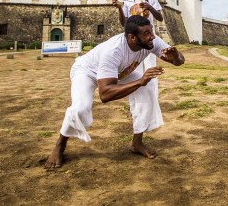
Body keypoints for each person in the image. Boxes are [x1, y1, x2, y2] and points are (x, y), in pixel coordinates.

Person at [44, 15, 185, 169]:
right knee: (81, 108)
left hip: (121, 71)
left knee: (148, 88)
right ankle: (60, 144)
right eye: (146, 33)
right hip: (87, 71)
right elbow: (105, 94)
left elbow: (179, 61)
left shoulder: (152, 41)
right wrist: (139, 81)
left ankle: (137, 143)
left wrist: (176, 57)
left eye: (151, 31)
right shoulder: (113, 51)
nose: (152, 36)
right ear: (132, 37)